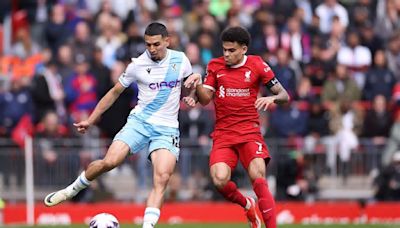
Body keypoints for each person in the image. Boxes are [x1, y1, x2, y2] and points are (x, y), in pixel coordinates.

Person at [44, 22, 198, 228]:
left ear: (167, 41)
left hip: (167, 128)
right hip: (139, 123)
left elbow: (194, 90)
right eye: (148, 44)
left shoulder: (181, 60)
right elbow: (114, 92)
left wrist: (195, 90)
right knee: (110, 162)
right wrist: (91, 119)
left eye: (156, 44)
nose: (151, 49)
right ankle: (72, 189)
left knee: (162, 177)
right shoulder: (137, 65)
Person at [185, 26, 290, 228]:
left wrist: (272, 98)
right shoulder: (215, 66)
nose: (226, 54)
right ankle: (247, 204)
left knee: (258, 178)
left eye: (231, 50)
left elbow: (284, 95)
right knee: (219, 180)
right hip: (224, 134)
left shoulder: (258, 65)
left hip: (249, 131)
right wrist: (197, 84)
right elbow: (206, 99)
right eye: (224, 49)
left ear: (243, 49)